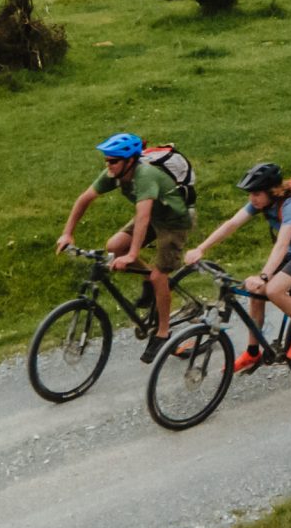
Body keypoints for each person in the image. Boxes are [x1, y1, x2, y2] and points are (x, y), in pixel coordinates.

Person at [55, 132, 192, 359]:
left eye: (113, 161)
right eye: (106, 160)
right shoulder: (115, 173)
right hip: (155, 216)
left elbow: (143, 217)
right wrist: (67, 234)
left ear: (129, 161)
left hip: (174, 220)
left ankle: (163, 333)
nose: (108, 165)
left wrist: (133, 255)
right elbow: (84, 198)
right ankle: (151, 282)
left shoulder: (145, 175)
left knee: (160, 276)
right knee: (114, 245)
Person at [184, 162, 291, 372]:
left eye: (256, 193)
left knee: (273, 290)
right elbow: (232, 224)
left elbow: (282, 244)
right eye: (250, 194)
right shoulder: (263, 202)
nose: (252, 199)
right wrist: (201, 249)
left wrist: (264, 276)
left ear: (272, 191)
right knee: (255, 292)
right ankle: (253, 352)